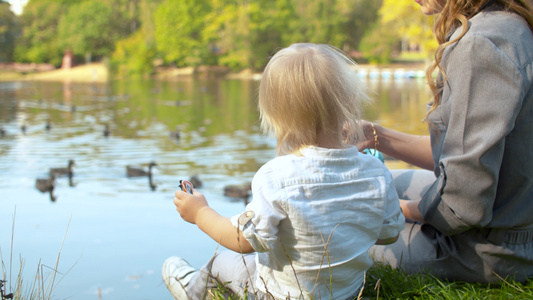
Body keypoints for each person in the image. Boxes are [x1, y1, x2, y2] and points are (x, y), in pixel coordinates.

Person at [162, 43, 405, 299]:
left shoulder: (276, 177)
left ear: (277, 116)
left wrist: (200, 212)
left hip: (279, 294)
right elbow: (388, 235)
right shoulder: (376, 171)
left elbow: (244, 242)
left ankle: (190, 291)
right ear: (348, 101)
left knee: (221, 263)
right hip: (350, 291)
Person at [358, 0, 533, 284]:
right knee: (380, 181)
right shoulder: (509, 24)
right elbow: (465, 156)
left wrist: (391, 208)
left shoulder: (479, 45)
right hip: (511, 223)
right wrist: (375, 136)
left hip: (487, 251)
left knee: (333, 229)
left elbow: (461, 208)